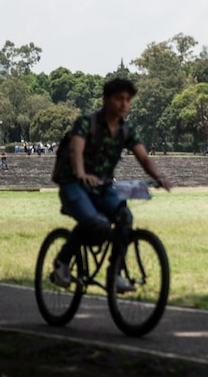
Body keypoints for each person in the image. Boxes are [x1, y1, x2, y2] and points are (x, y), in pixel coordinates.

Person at [49, 78, 173, 292]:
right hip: (73, 183)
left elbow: (143, 157)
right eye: (118, 98)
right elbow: (76, 150)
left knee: (125, 218)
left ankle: (115, 273)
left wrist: (158, 176)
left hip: (101, 186)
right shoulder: (86, 123)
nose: (124, 104)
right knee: (95, 223)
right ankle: (62, 262)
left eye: (127, 99)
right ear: (106, 99)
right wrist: (81, 173)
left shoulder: (126, 129)